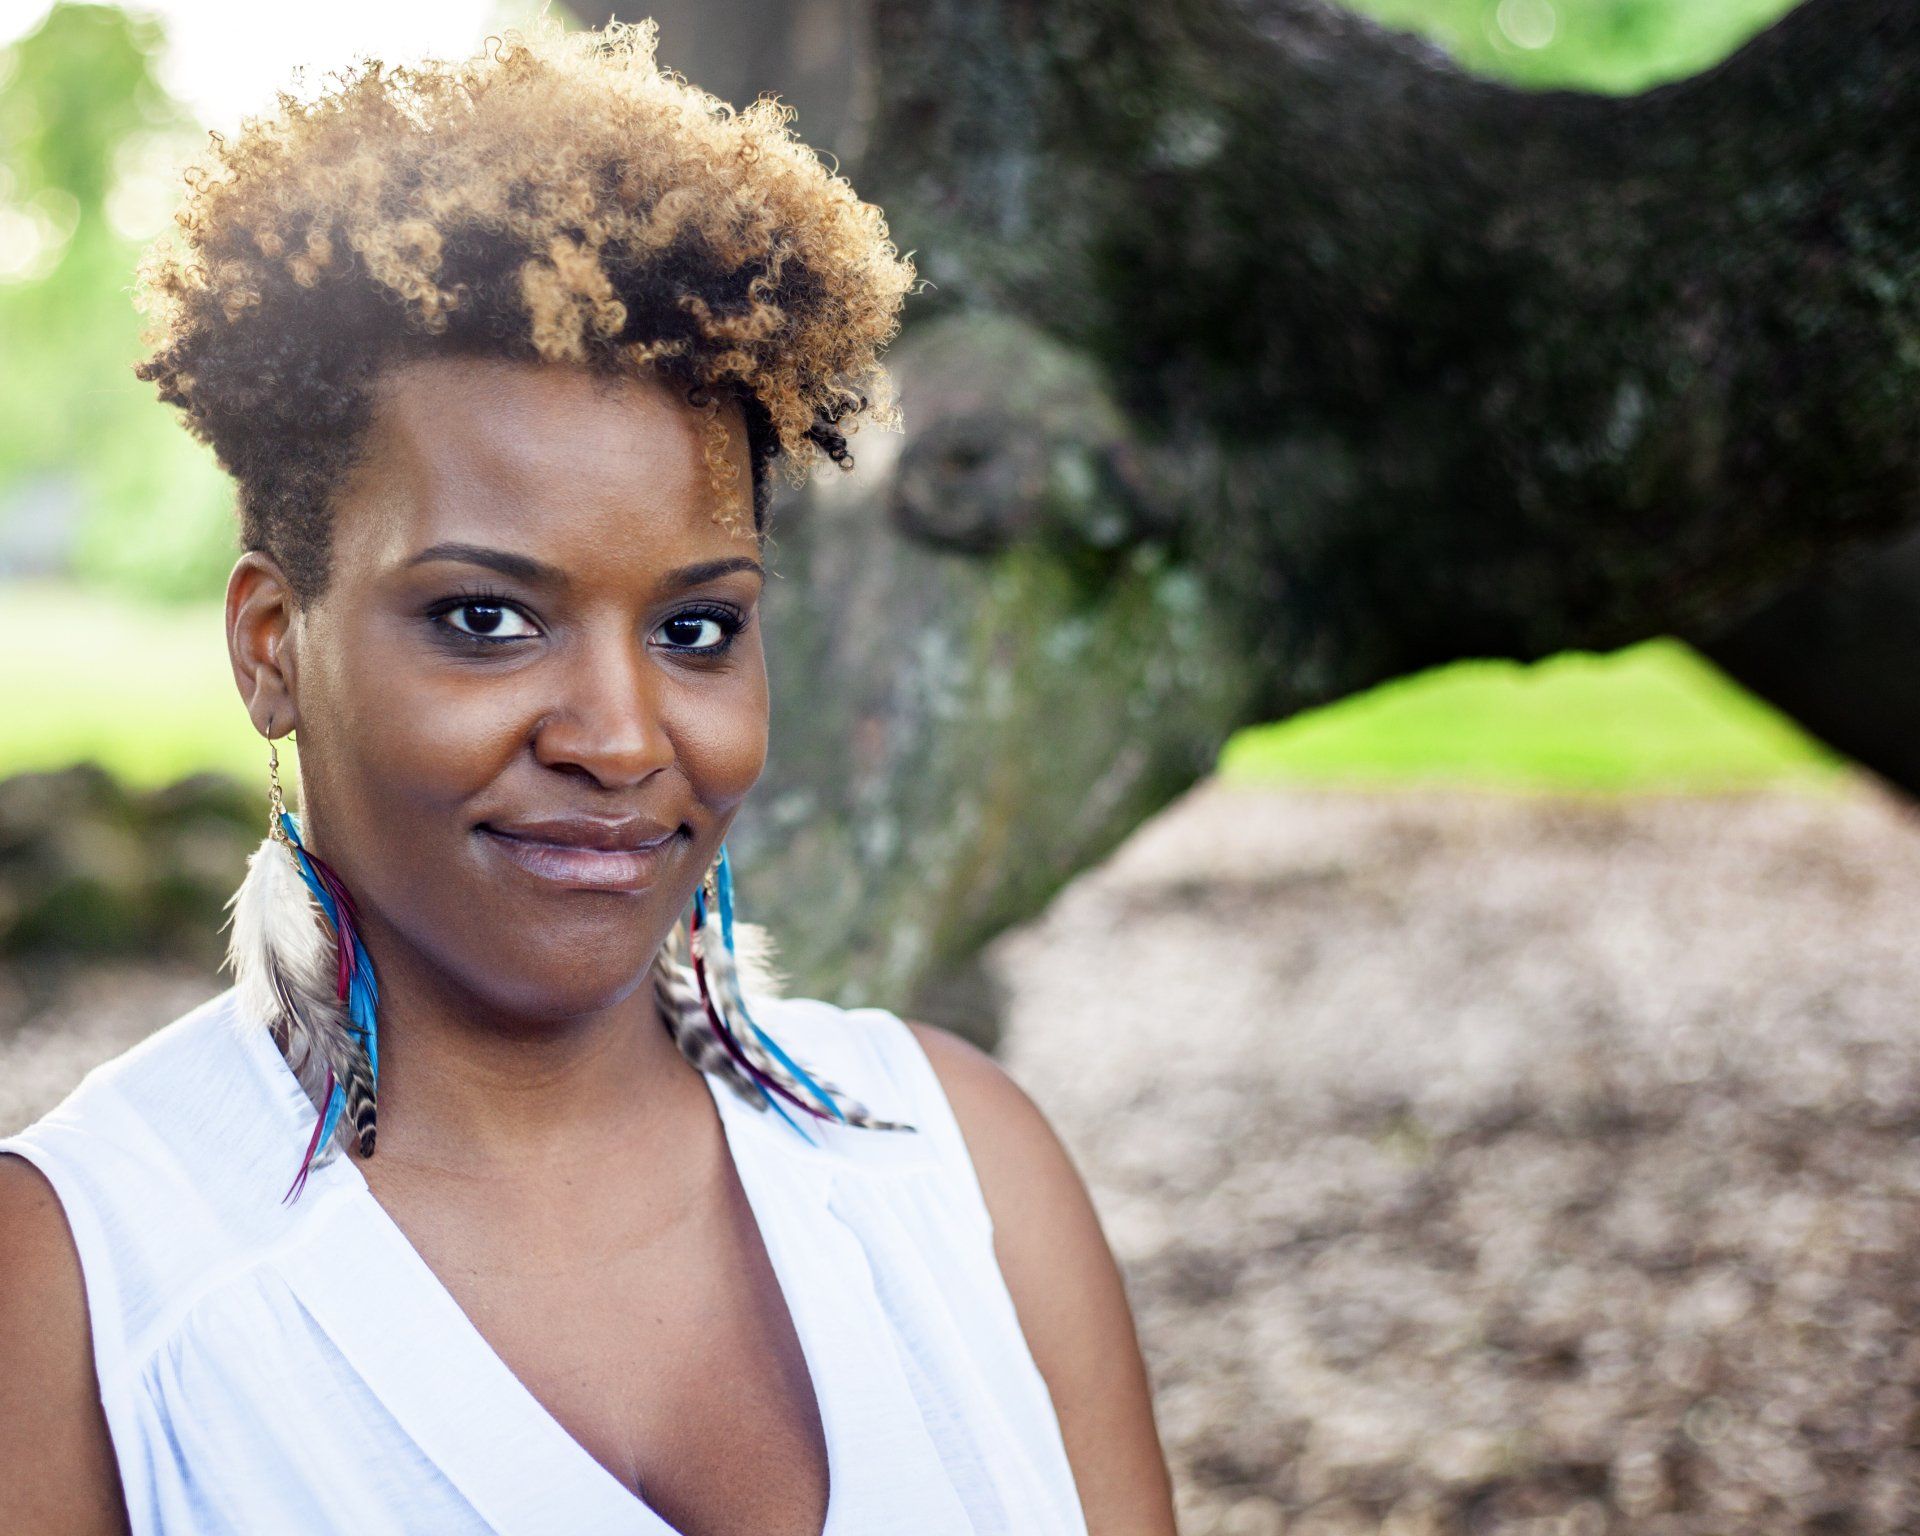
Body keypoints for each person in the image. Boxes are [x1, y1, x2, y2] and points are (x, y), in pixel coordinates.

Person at [0, 17, 1177, 1536]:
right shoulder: (84, 1287)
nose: (620, 740)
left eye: (699, 628)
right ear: (272, 644)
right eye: (487, 620)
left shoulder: (963, 1174)